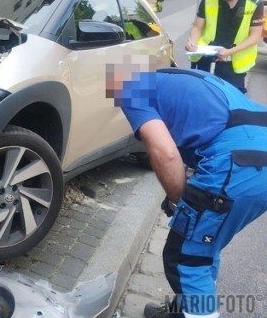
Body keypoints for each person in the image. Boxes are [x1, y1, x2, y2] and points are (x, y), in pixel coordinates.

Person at [106, 59, 267, 318]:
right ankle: (185, 311)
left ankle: (199, 313)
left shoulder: (129, 86)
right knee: (203, 247)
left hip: (235, 166)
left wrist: (178, 203)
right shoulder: (183, 79)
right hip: (258, 160)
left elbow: (165, 153)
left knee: (185, 258)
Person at [186, 0, 264, 93]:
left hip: (233, 65)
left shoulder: (254, 2)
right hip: (205, 60)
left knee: (231, 103)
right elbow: (197, 26)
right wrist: (192, 42)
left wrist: (229, 52)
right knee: (201, 97)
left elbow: (255, 36)